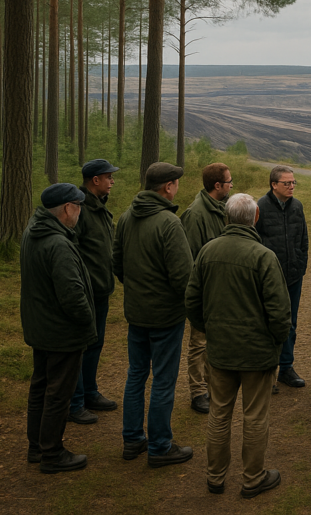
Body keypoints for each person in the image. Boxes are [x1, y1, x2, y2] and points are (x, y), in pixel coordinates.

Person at [186, 194, 290, 499]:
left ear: (227, 218)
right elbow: (280, 312)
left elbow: (192, 301)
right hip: (256, 355)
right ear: (255, 218)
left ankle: (215, 477)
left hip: (220, 352)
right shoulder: (263, 256)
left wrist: (210, 330)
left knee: (219, 414)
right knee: (255, 416)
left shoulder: (207, 252)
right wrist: (276, 343)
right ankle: (252, 478)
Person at [113, 162, 195, 467]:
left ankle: (132, 439)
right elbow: (183, 276)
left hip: (136, 313)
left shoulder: (125, 217)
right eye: (176, 182)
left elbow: (116, 263)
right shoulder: (168, 223)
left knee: (136, 375)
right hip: (165, 317)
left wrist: (137, 291)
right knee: (163, 380)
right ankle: (160, 446)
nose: (177, 187)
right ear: (168, 187)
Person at [20, 183, 97, 474]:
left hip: (40, 327)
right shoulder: (59, 244)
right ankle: (52, 453)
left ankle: (36, 446)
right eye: (78, 207)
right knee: (58, 393)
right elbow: (73, 296)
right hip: (61, 332)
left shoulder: (33, 231)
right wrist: (87, 321)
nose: (80, 213)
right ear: (67, 209)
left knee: (40, 387)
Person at [68, 158, 121, 425]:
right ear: (95, 180)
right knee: (79, 347)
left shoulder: (99, 206)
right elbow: (70, 252)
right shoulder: (80, 210)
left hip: (101, 290)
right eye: (109, 177)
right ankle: (74, 403)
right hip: (85, 291)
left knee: (95, 344)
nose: (112, 181)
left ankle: (90, 392)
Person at [180, 162, 232, 415]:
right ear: (217, 185)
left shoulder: (224, 208)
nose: (232, 185)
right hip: (205, 292)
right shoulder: (196, 214)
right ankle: (198, 391)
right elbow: (189, 259)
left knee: (216, 342)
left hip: (223, 290)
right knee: (199, 343)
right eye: (229, 181)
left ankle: (212, 387)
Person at [255, 165, 309, 392]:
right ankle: (267, 372)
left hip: (293, 276)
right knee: (268, 323)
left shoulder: (297, 206)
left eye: (293, 182)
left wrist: (301, 264)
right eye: (286, 183)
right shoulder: (260, 207)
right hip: (269, 278)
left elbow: (304, 239)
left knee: (290, 323)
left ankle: (286, 368)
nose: (291, 186)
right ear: (273, 185)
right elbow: (255, 243)